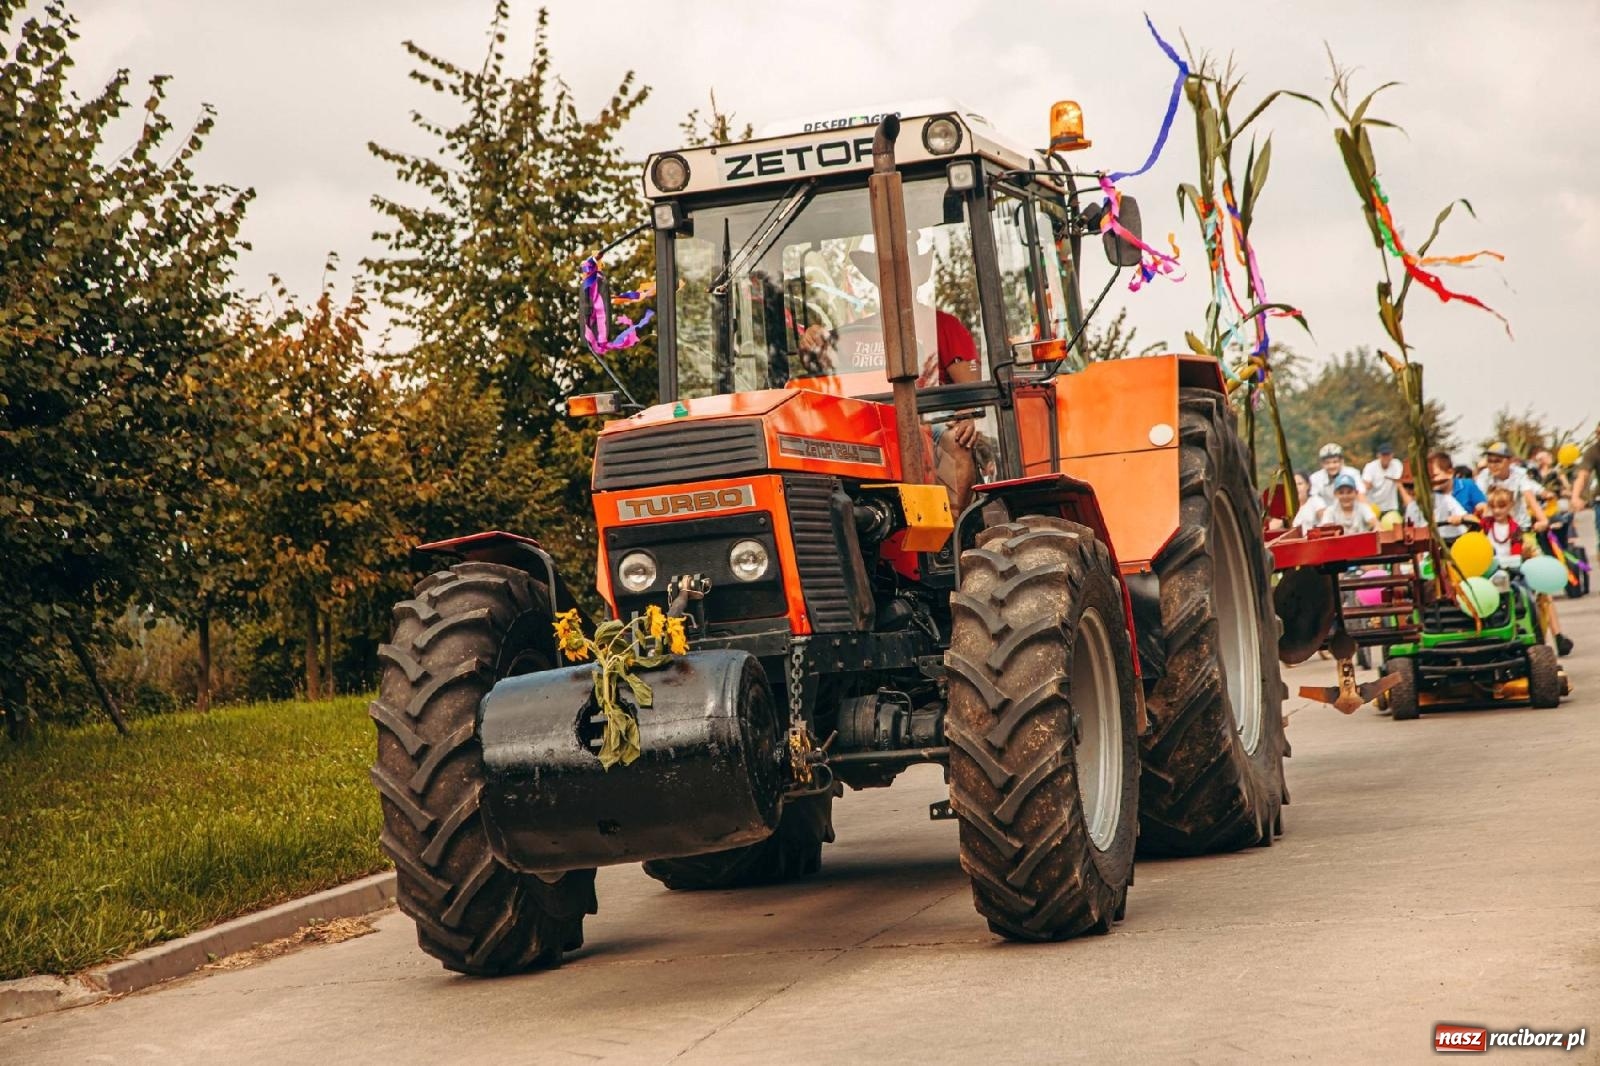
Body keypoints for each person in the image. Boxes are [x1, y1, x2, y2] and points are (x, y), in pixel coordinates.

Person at [801, 240, 981, 508]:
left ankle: (948, 534)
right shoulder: (855, 332)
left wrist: (966, 416)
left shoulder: (944, 325)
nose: (896, 281)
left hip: (927, 425)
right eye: (888, 273)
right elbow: (826, 368)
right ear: (878, 280)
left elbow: (970, 390)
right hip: (865, 428)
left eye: (904, 272)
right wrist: (812, 342)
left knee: (956, 442)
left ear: (917, 277)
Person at [1476, 442, 1547, 532]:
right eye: (1490, 461)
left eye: (1498, 461)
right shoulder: (1484, 476)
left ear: (1510, 461)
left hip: (1518, 526)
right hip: (1494, 527)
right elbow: (1480, 501)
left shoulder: (1519, 474)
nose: (1493, 465)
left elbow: (1530, 499)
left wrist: (1543, 520)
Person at [1405, 463, 1470, 543]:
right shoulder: (1411, 507)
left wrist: (1460, 519)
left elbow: (1469, 519)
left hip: (1455, 543)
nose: (1409, 491)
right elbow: (1410, 536)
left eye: (1412, 486)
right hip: (1428, 548)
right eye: (1405, 486)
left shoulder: (1446, 500)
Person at [1294, 471, 1375, 533]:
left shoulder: (1363, 508)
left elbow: (1375, 523)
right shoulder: (1330, 511)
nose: (1345, 496)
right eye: (1341, 493)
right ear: (1335, 494)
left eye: (1349, 492)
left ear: (1356, 493)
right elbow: (1325, 529)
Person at [1362, 442, 1404, 517]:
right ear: (1378, 455)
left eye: (1388, 454)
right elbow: (1366, 485)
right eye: (1383, 455)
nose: (1386, 457)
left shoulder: (1397, 464)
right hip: (1373, 507)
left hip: (1390, 507)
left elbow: (1400, 482)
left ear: (1392, 455)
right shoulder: (1370, 467)